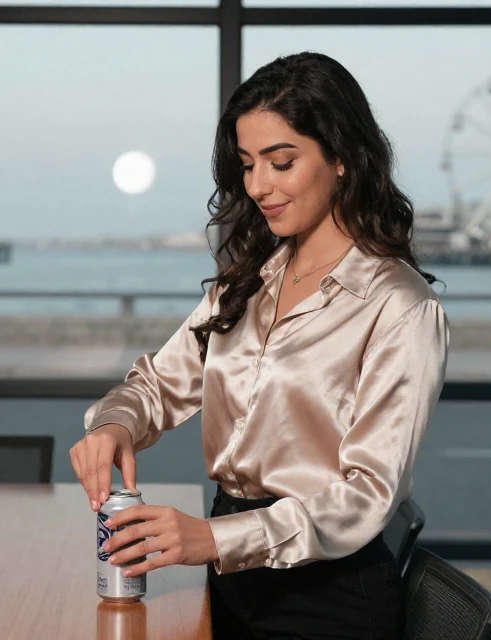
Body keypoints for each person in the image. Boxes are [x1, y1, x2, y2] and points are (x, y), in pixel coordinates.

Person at [69, 51, 449, 639]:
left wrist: (212, 539)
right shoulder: (249, 282)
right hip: (227, 572)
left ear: (342, 158)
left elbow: (369, 494)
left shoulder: (400, 306)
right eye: (248, 165)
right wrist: (113, 425)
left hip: (326, 597)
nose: (258, 186)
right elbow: (156, 385)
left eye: (281, 162)